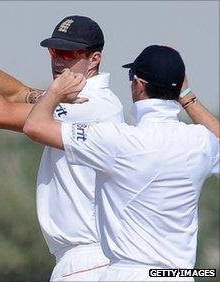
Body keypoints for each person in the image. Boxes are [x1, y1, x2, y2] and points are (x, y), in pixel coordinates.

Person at [0, 4, 124, 280]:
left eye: (68, 53)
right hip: (85, 258)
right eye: (53, 51)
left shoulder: (88, 103)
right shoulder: (71, 96)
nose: (58, 60)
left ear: (94, 59)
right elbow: (19, 93)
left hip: (87, 258)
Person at [23, 45, 219, 281]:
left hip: (127, 272)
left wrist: (55, 92)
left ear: (138, 85)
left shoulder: (118, 139)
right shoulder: (200, 142)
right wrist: (186, 96)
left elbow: (35, 126)